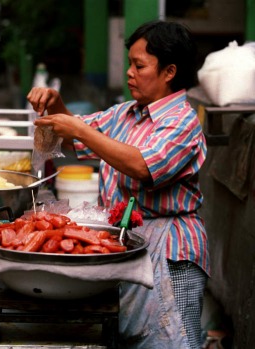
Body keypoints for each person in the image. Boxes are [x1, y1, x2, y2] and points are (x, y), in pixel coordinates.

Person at [27, 20, 208, 349]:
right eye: (129, 64)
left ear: (169, 71)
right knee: (132, 335)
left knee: (172, 339)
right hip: (130, 241)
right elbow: (76, 141)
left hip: (168, 250)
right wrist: (55, 105)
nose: (129, 73)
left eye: (139, 66)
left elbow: (144, 166)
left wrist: (81, 131)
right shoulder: (125, 113)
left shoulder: (183, 120)